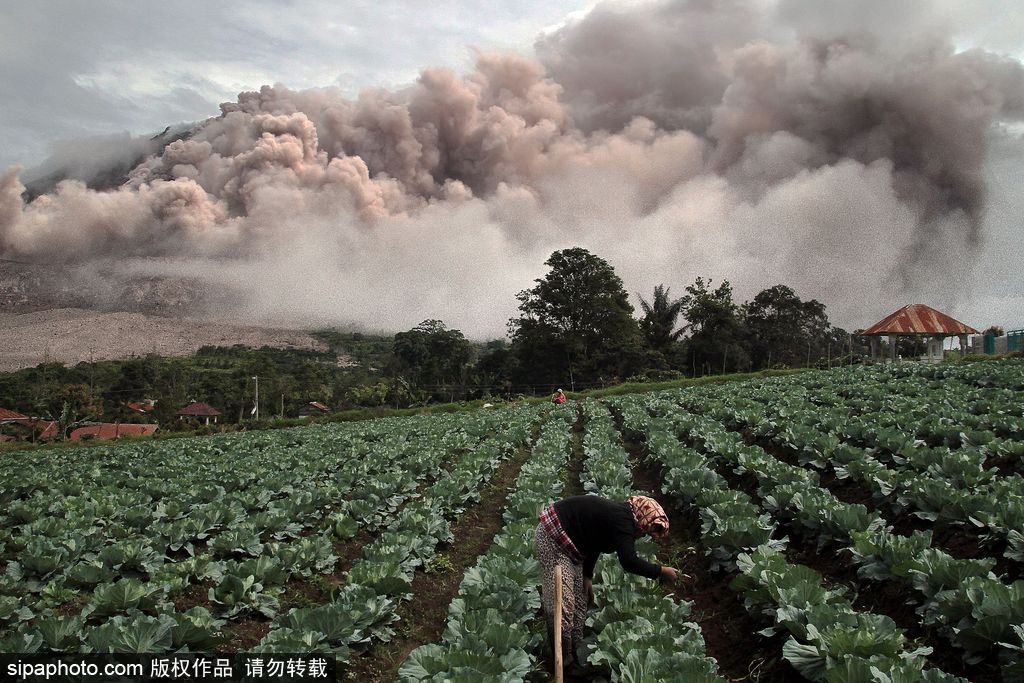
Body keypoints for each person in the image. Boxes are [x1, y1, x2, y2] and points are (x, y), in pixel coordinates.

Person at [534, 494, 679, 670]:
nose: (644, 535)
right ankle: (563, 661)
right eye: (648, 530)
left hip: (575, 547)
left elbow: (595, 541)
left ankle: (576, 652)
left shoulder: (622, 518)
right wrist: (661, 571)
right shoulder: (623, 522)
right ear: (643, 518)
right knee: (562, 604)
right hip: (554, 536)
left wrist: (587, 575)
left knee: (580, 601)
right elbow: (629, 561)